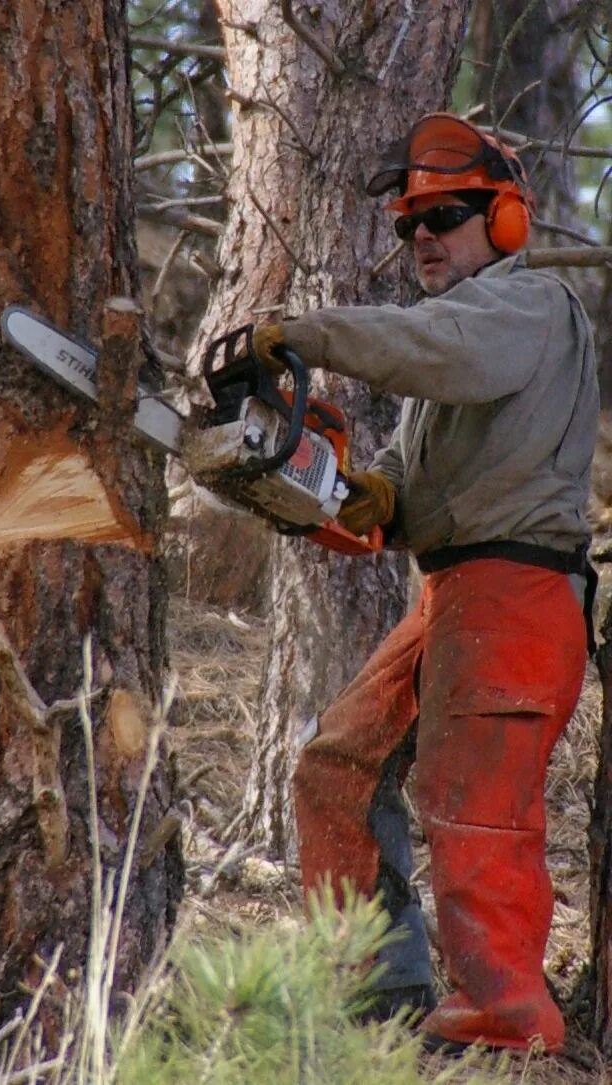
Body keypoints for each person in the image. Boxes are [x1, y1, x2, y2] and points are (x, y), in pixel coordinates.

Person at [252, 113, 599, 1055]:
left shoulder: (525, 311)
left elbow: (434, 346)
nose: (423, 237)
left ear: (508, 220)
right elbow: (411, 477)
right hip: (448, 595)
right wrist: (364, 497)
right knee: (338, 762)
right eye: (410, 224)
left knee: (475, 806)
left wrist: (305, 334)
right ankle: (374, 982)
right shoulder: (456, 345)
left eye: (444, 214)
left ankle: (506, 1020)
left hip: (517, 595)